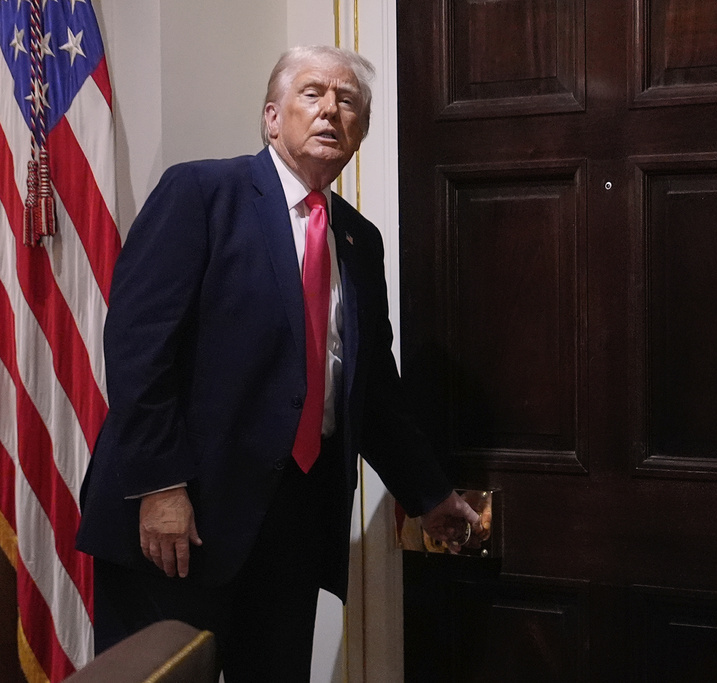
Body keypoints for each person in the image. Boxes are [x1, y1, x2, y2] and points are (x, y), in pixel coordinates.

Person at [75, 45, 479, 681]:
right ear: (271, 117)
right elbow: (138, 350)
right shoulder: (202, 192)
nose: (330, 110)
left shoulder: (358, 240)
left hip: (294, 525)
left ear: (361, 132)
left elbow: (371, 393)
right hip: (183, 518)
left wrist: (429, 494)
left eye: (348, 102)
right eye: (312, 93)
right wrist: (159, 488)